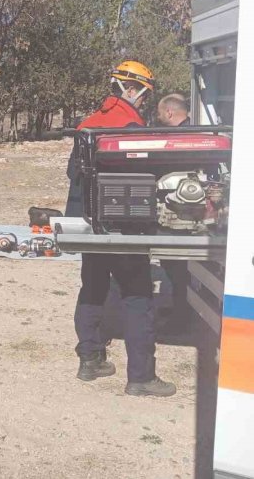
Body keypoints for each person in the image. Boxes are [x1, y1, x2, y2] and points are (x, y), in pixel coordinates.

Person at [67, 60, 176, 397]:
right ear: (131, 89)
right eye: (144, 95)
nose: (144, 101)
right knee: (137, 295)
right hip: (126, 227)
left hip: (90, 225)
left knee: (92, 288)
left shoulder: (88, 124)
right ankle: (141, 377)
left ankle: (90, 360)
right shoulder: (132, 125)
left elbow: (74, 176)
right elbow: (147, 178)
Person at [156, 93, 192, 336]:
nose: (158, 117)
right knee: (176, 266)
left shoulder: (179, 138)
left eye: (160, 113)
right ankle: (180, 308)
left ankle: (182, 316)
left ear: (169, 112)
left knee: (178, 265)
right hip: (182, 210)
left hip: (182, 213)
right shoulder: (195, 133)